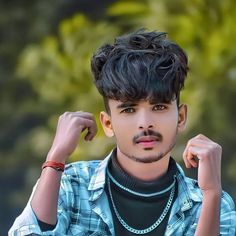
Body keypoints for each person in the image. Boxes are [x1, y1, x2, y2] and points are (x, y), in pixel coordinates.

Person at [9, 29, 236, 236]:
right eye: (129, 109)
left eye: (159, 107)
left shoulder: (211, 203)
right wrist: (55, 159)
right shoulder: (70, 184)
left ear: (181, 116)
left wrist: (212, 194)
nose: (145, 123)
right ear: (108, 124)